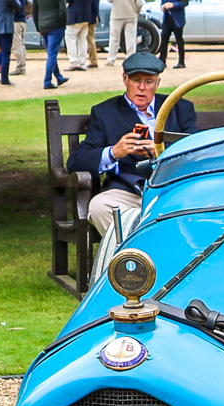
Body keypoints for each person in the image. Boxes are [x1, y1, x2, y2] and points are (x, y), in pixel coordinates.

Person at [67, 51, 197, 239]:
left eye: (149, 81)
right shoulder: (105, 112)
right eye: (136, 80)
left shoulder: (179, 108)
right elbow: (76, 162)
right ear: (125, 79)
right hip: (126, 191)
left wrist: (162, 153)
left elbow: (196, 152)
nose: (142, 88)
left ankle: (149, 258)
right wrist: (113, 152)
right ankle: (134, 261)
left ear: (157, 83)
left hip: (171, 190)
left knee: (201, 205)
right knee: (99, 207)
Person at [34, 0, 68, 87]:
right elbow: (63, 10)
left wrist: (38, 27)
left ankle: (58, 77)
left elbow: (35, 11)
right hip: (56, 24)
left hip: (43, 25)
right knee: (52, 53)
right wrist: (64, 24)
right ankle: (47, 81)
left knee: (50, 53)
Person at [0, 0, 20, 83]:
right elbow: (18, 6)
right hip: (4, 25)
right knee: (6, 52)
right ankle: (4, 78)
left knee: (3, 50)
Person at [106, 0, 140, 64]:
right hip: (131, 13)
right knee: (130, 39)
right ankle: (131, 59)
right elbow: (140, 2)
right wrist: (137, 11)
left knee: (114, 38)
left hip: (116, 13)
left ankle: (111, 59)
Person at [158, 0, 185, 67]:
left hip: (177, 19)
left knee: (179, 40)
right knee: (164, 39)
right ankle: (162, 61)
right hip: (167, 18)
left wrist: (173, 5)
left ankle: (181, 62)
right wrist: (163, 6)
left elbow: (184, 3)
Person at [12, 0, 28, 75]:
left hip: (16, 21)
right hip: (22, 20)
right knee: (22, 45)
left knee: (17, 45)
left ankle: (20, 67)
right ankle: (22, 65)